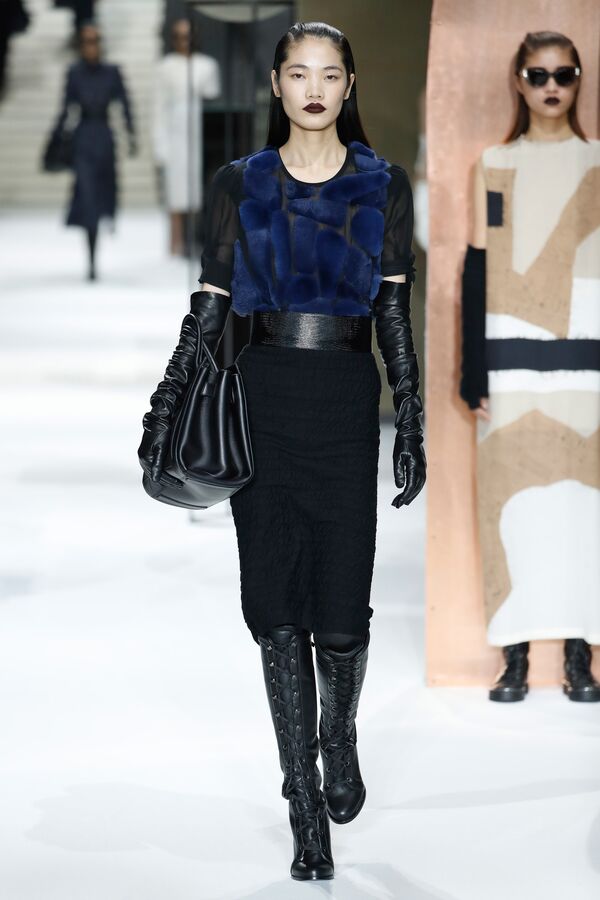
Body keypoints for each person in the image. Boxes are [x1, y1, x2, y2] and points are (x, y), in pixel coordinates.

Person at [139, 21, 425, 880]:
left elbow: (392, 311)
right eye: (299, 73)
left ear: (348, 86)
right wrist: (166, 403)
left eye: (329, 75)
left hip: (344, 406)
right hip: (261, 403)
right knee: (276, 613)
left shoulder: (382, 183)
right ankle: (303, 805)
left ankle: (339, 732)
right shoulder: (242, 183)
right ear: (275, 84)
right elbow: (210, 304)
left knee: (341, 618)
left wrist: (410, 415)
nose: (314, 89)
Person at [460, 31, 600, 703]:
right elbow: (478, 266)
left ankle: (580, 656)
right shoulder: (494, 164)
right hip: (510, 361)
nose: (551, 86)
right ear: (519, 80)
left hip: (589, 362)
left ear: (578, 80)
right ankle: (512, 656)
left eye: (563, 75)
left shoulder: (598, 163)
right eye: (539, 74)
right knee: (508, 506)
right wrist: (472, 371)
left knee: (584, 514)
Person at [54, 23, 135, 280]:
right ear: (80, 45)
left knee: (103, 194)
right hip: (83, 139)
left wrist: (131, 133)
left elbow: (125, 103)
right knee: (88, 198)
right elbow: (65, 108)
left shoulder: (112, 72)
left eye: (95, 40)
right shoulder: (74, 73)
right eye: (87, 41)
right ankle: (91, 261)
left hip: (104, 138)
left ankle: (100, 231)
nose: (92, 46)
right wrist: (56, 139)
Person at [152, 18, 220, 256]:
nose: (185, 41)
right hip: (175, 131)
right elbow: (159, 107)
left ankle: (197, 240)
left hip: (200, 131)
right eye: (180, 36)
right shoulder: (165, 67)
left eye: (188, 36)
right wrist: (159, 144)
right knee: (176, 189)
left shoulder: (207, 65)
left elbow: (212, 95)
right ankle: (176, 244)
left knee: (198, 187)